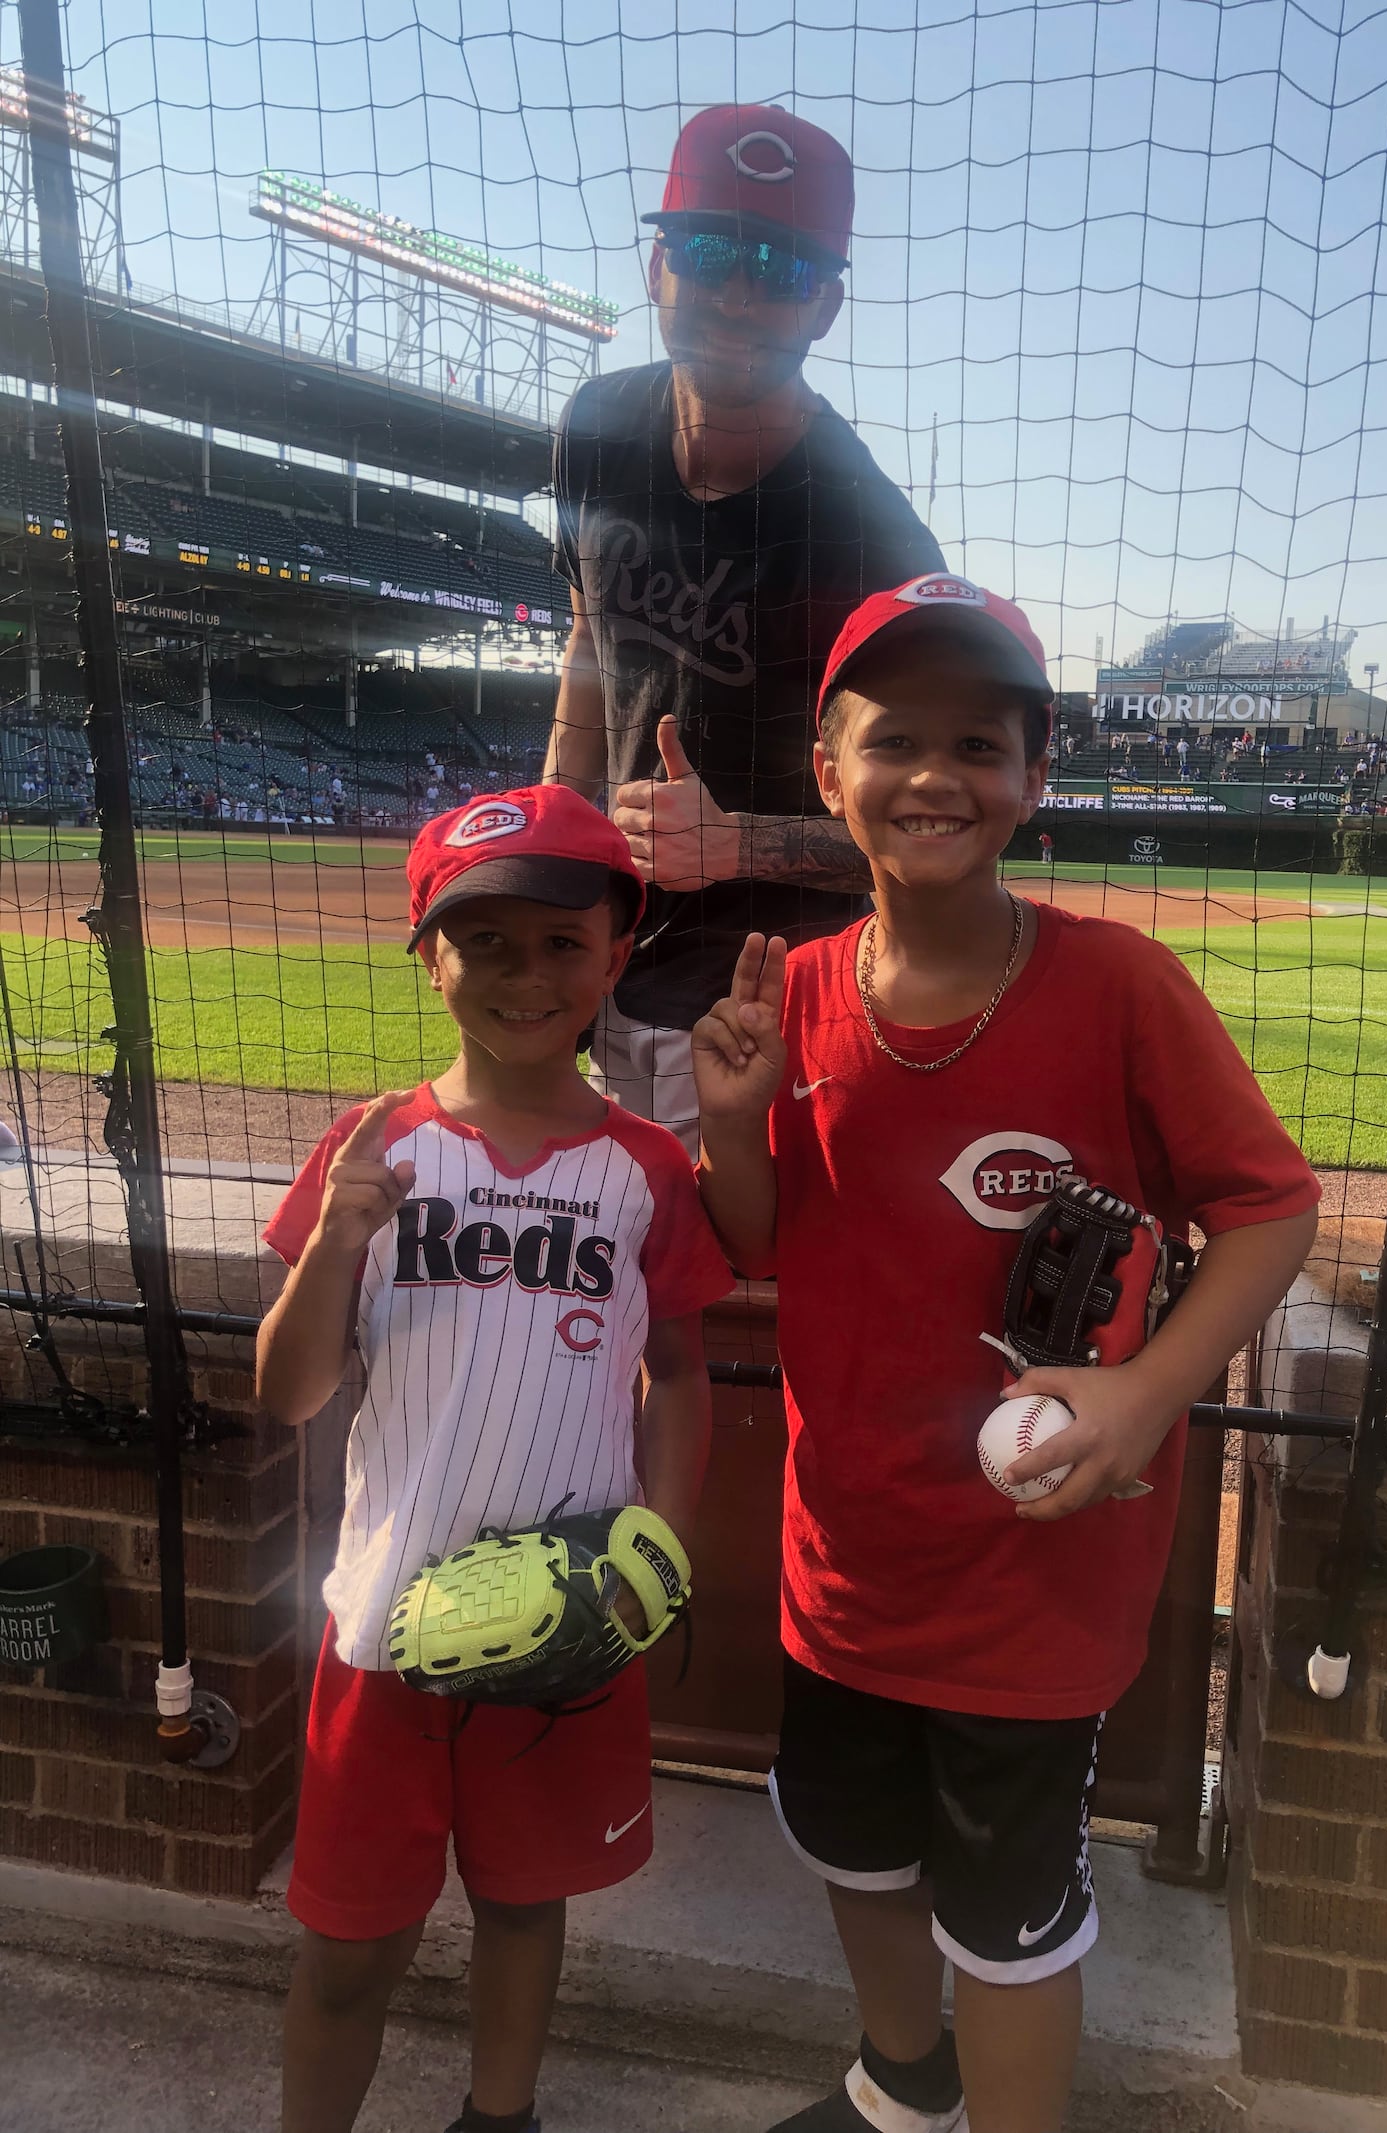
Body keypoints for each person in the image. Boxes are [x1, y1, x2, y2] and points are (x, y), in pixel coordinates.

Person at [691, 574, 1320, 2133]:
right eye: (893, 737)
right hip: (849, 1547)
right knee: (855, 1846)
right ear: (827, 773)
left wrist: (1147, 1387)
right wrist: (730, 1114)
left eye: (981, 742)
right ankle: (905, 2085)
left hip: (1034, 1574)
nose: (936, 776)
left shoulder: (1116, 988)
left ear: (1033, 778)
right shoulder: (808, 992)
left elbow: (1269, 1207)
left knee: (1010, 1916)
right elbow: (764, 1241)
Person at [256, 786, 731, 2133]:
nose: (527, 975)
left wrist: (664, 1548)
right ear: (429, 953)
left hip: (568, 1620)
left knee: (527, 1907)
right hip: (382, 1633)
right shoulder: (376, 1151)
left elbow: (684, 1370)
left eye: (561, 944)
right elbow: (288, 1395)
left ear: (614, 956)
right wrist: (343, 1238)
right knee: (349, 1947)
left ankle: (500, 2116)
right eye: (489, 942)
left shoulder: (645, 1168)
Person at [545, 102, 944, 1146]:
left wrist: (735, 843)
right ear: (655, 267)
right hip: (617, 940)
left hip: (774, 994)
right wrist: (552, 846)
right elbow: (590, 641)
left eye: (780, 267)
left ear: (825, 308)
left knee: (701, 1276)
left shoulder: (872, 545)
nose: (735, 292)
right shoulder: (596, 429)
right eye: (710, 249)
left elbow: (922, 833)